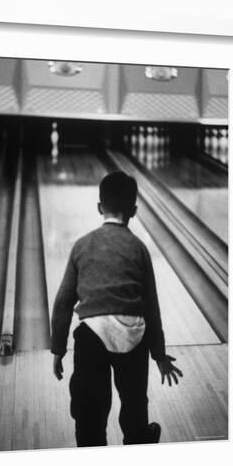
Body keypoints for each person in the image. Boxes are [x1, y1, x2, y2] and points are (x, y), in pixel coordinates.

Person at [50, 171, 182, 447]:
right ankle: (139, 439)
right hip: (133, 336)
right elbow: (152, 309)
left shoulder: (82, 245)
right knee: (134, 405)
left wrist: (58, 349)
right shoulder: (139, 249)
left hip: (92, 336)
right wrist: (159, 355)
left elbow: (63, 304)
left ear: (100, 207)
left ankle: (91, 453)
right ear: (133, 210)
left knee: (89, 415)